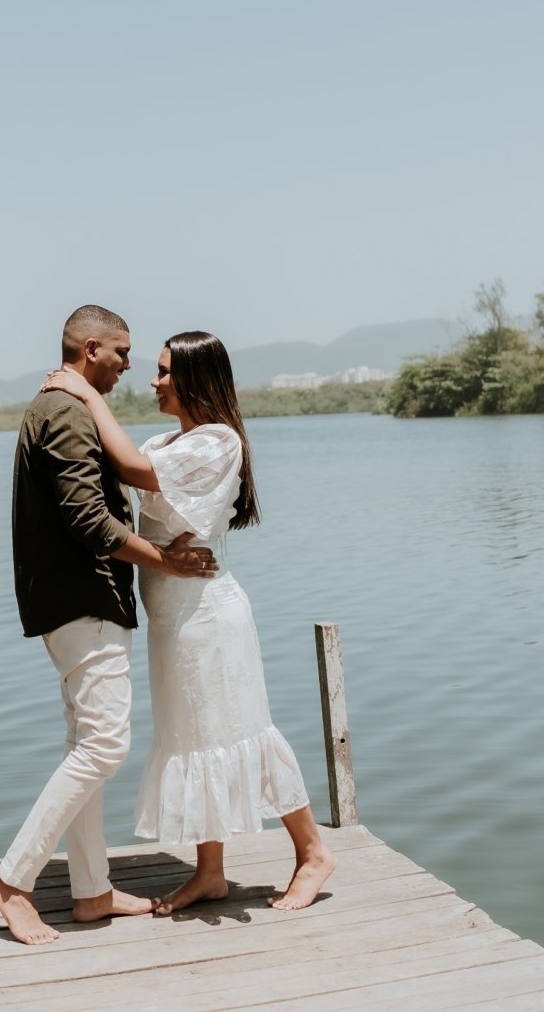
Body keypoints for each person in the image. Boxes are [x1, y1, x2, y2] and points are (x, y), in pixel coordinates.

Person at [44, 330, 336, 914]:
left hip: (209, 617)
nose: (153, 381)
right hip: (170, 621)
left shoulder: (218, 441)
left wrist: (85, 391)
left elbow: (132, 469)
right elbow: (121, 467)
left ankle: (312, 853)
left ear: (195, 379)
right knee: (195, 736)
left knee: (244, 729)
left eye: (164, 372)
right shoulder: (167, 441)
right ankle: (210, 873)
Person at [0, 306, 219, 945]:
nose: (129, 367)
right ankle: (13, 880)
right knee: (105, 746)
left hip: (73, 601)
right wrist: (165, 560)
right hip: (81, 599)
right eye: (121, 353)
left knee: (85, 743)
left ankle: (91, 891)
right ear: (92, 349)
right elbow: (89, 520)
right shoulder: (65, 411)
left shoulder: (65, 404)